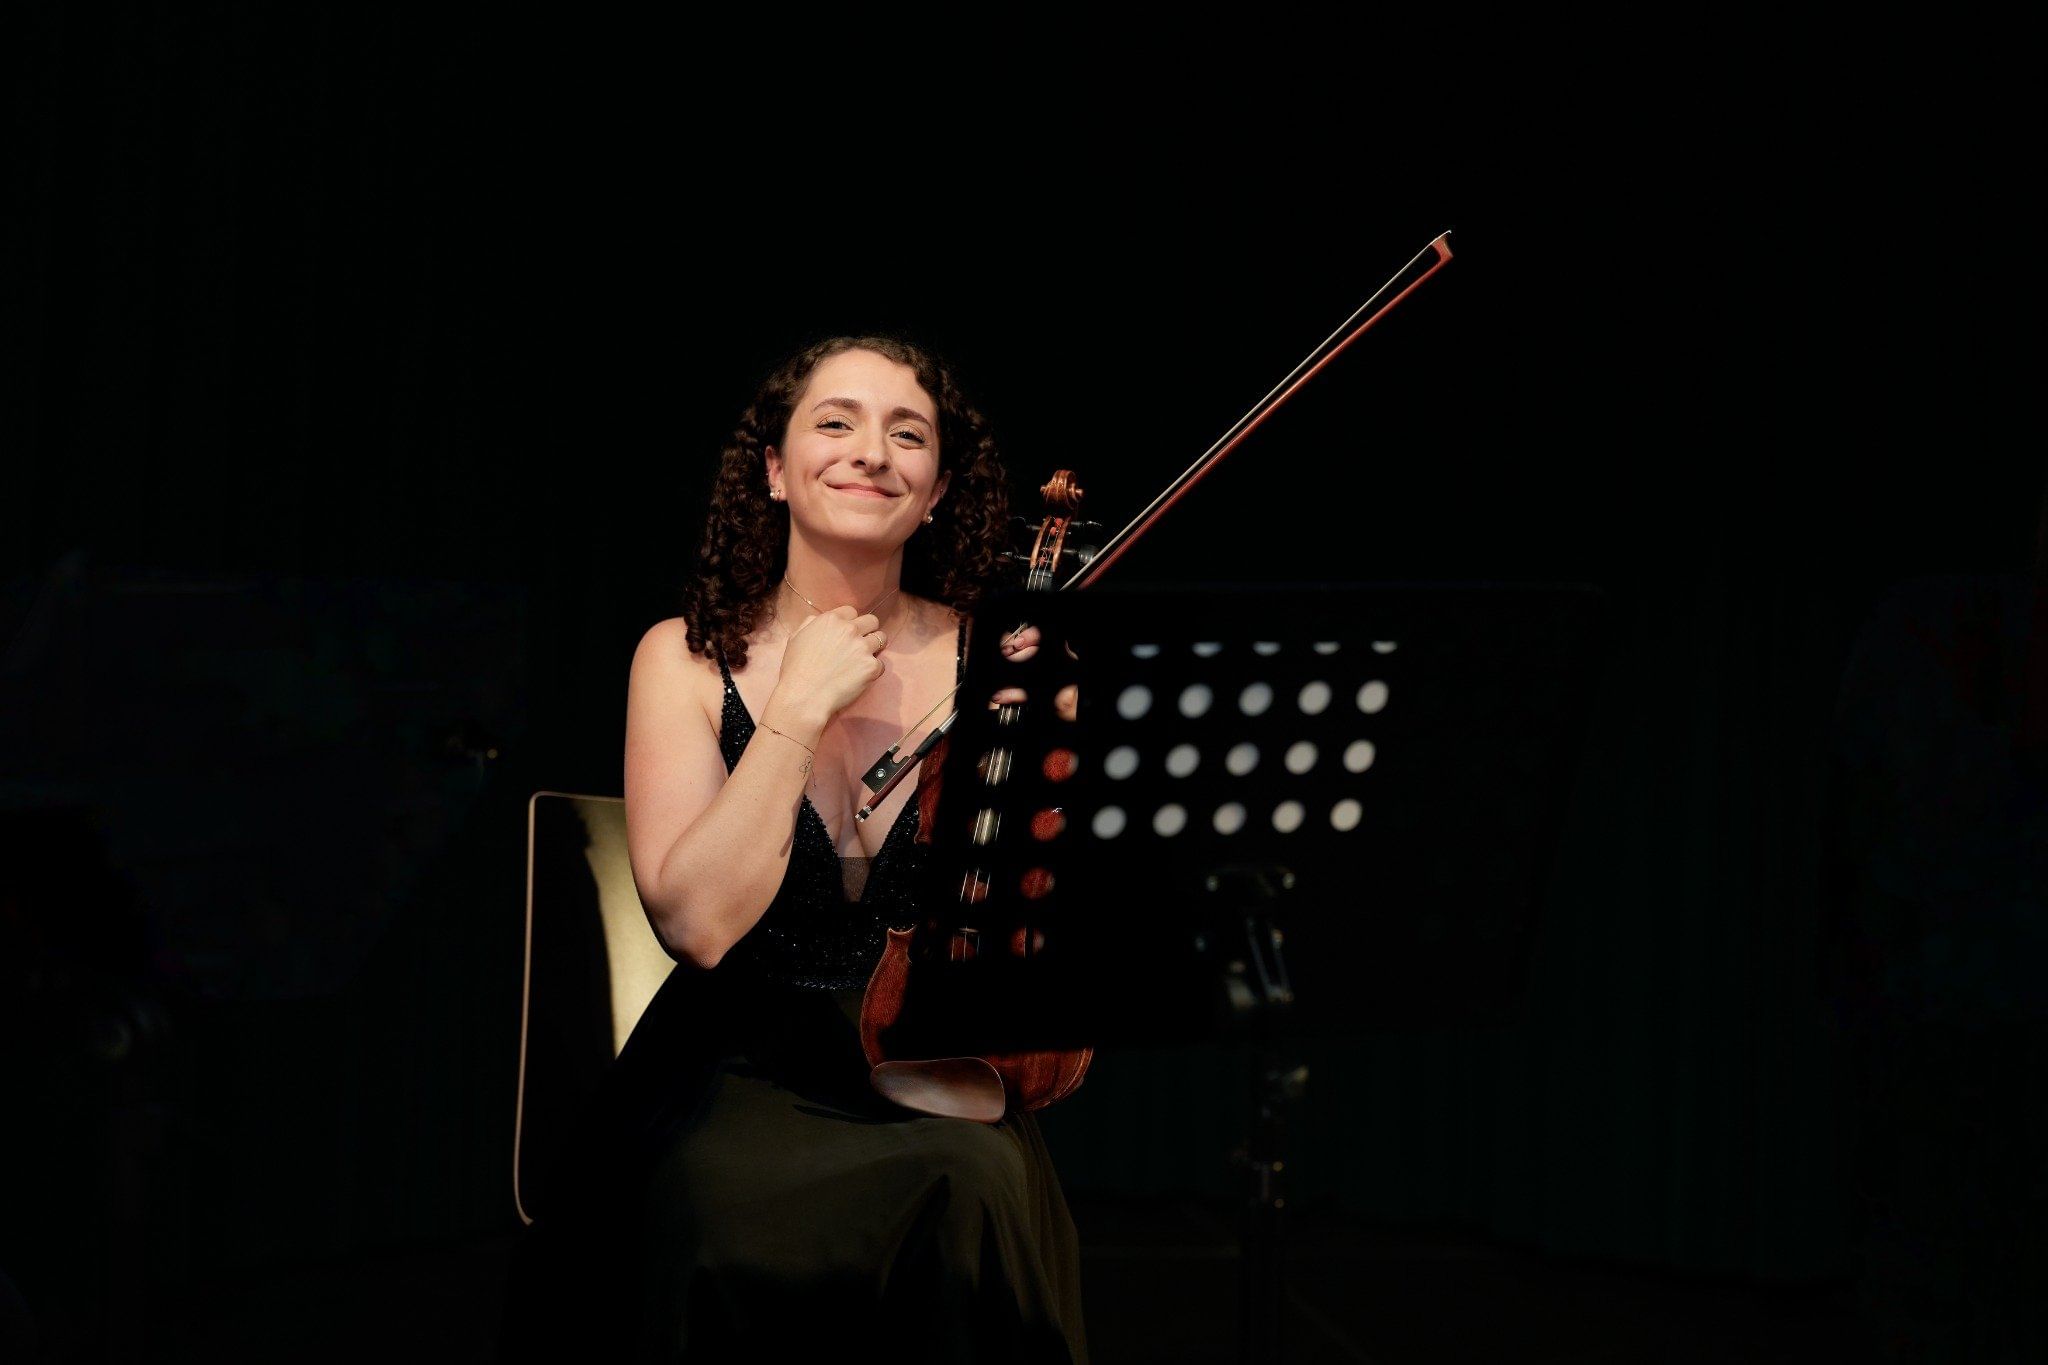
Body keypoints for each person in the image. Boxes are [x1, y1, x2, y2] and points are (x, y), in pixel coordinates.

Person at [506, 335, 1089, 1362]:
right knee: (710, 1221)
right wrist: (794, 716)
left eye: (907, 435)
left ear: (939, 487)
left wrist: (1039, 745)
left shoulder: (1000, 664)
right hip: (732, 1076)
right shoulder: (683, 660)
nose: (872, 452)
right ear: (774, 469)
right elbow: (699, 925)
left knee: (975, 1190)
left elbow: (1046, 935)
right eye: (836, 422)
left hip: (932, 1071)